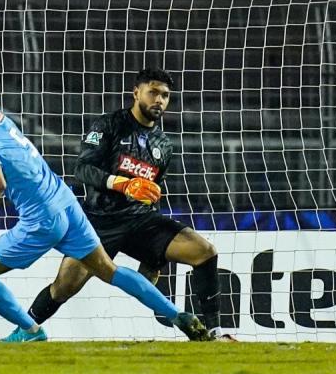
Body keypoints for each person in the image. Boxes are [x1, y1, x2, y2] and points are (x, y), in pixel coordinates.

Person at [0, 77, 210, 343]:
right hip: (65, 201)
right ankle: (179, 316)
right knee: (109, 270)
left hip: (41, 218)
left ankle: (30, 331)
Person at [24, 68, 234, 341]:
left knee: (204, 251)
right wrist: (121, 183)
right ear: (136, 93)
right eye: (153, 92)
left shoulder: (163, 144)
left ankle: (215, 333)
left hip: (141, 221)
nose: (159, 100)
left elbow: (151, 193)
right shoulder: (108, 125)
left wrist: (154, 256)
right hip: (99, 222)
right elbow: (83, 169)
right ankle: (24, 330)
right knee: (64, 286)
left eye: (166, 95)